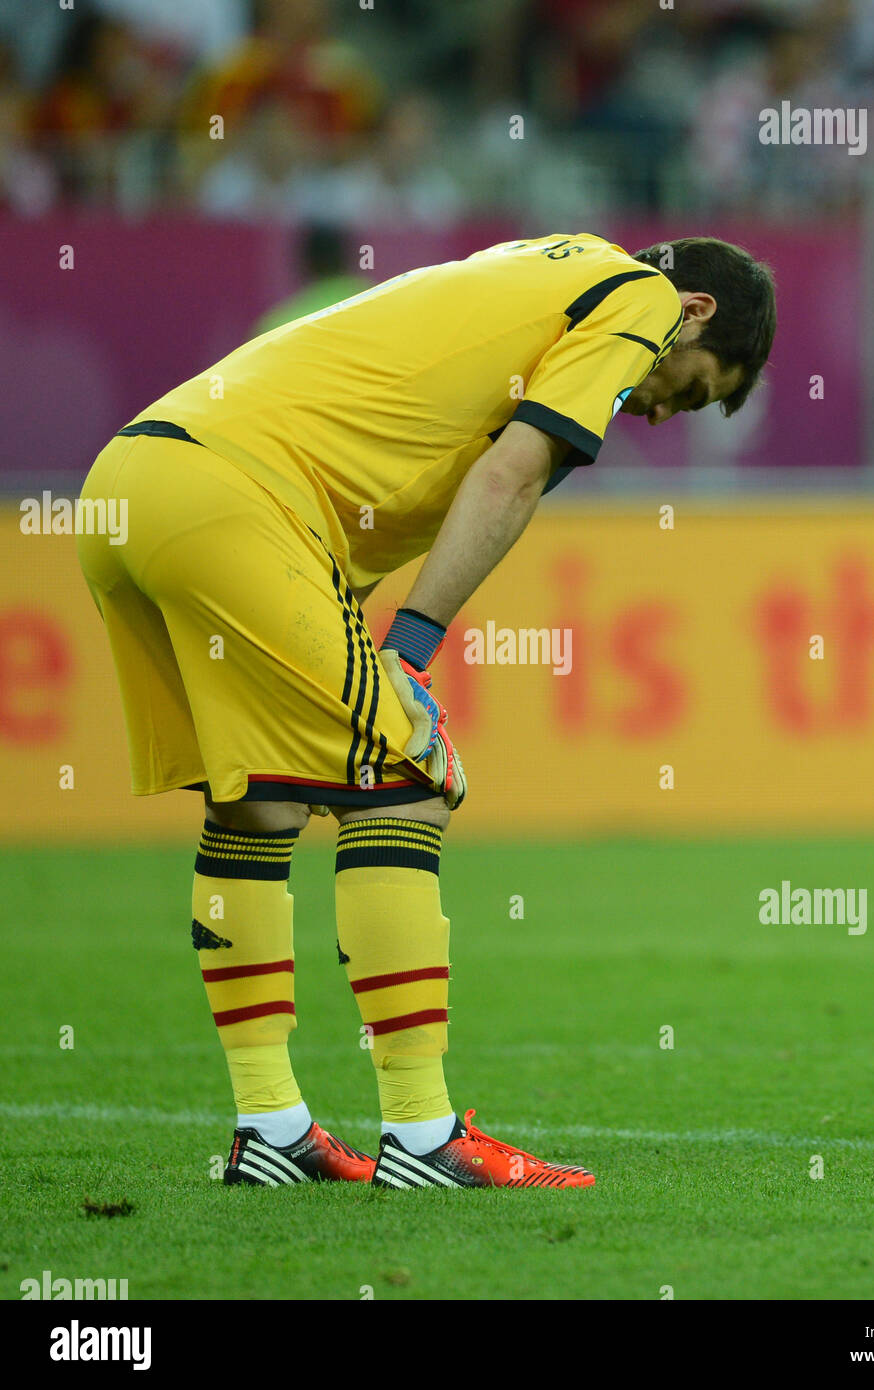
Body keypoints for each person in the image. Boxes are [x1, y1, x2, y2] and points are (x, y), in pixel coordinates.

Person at [76, 233, 775, 1190]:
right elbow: (511, 474)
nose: (660, 414)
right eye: (691, 388)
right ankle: (422, 1135)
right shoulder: (640, 298)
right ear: (692, 312)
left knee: (259, 806)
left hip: (131, 484)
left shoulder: (546, 264)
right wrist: (408, 645)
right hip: (232, 497)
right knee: (406, 779)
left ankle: (271, 1129)